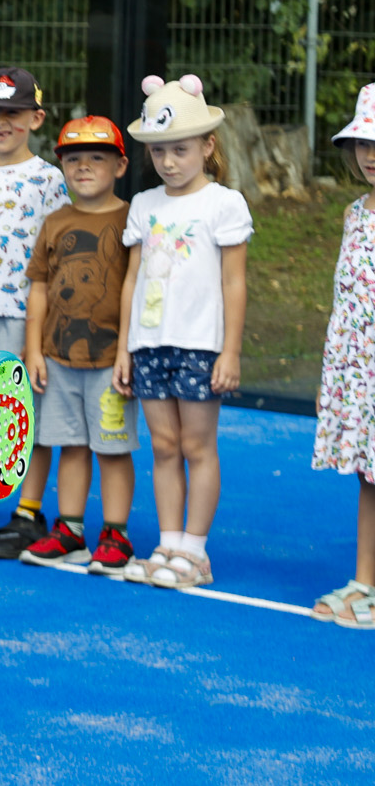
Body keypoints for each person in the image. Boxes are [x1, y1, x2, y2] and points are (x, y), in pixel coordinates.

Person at [116, 74, 251, 590]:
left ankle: (195, 551)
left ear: (207, 145)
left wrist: (229, 351)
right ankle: (168, 544)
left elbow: (233, 283)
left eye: (180, 149)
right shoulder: (145, 205)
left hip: (200, 345)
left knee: (198, 445)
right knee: (165, 445)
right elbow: (132, 278)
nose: (169, 161)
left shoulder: (225, 204)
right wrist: (127, 347)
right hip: (149, 344)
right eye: (158, 152)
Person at [0, 66, 70, 559]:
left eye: (13, 113)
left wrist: (42, 331)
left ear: (36, 118)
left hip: (25, 316)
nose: (1, 122)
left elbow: (59, 259)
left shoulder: (48, 179)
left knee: (25, 413)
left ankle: (28, 510)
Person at [18, 116, 138, 574]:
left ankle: (116, 532)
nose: (83, 167)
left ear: (120, 166)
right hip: (58, 358)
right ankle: (70, 529)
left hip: (110, 361)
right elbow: (41, 290)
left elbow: (134, 284)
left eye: (96, 158)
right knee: (68, 443)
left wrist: (129, 350)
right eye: (72, 159)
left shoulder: (131, 220)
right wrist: (34, 349)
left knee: (112, 446)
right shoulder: (54, 222)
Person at [312, 82, 375, 628]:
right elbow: (346, 298)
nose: (371, 154)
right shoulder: (357, 212)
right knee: (367, 475)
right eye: (364, 143)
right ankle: (365, 579)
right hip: (360, 373)